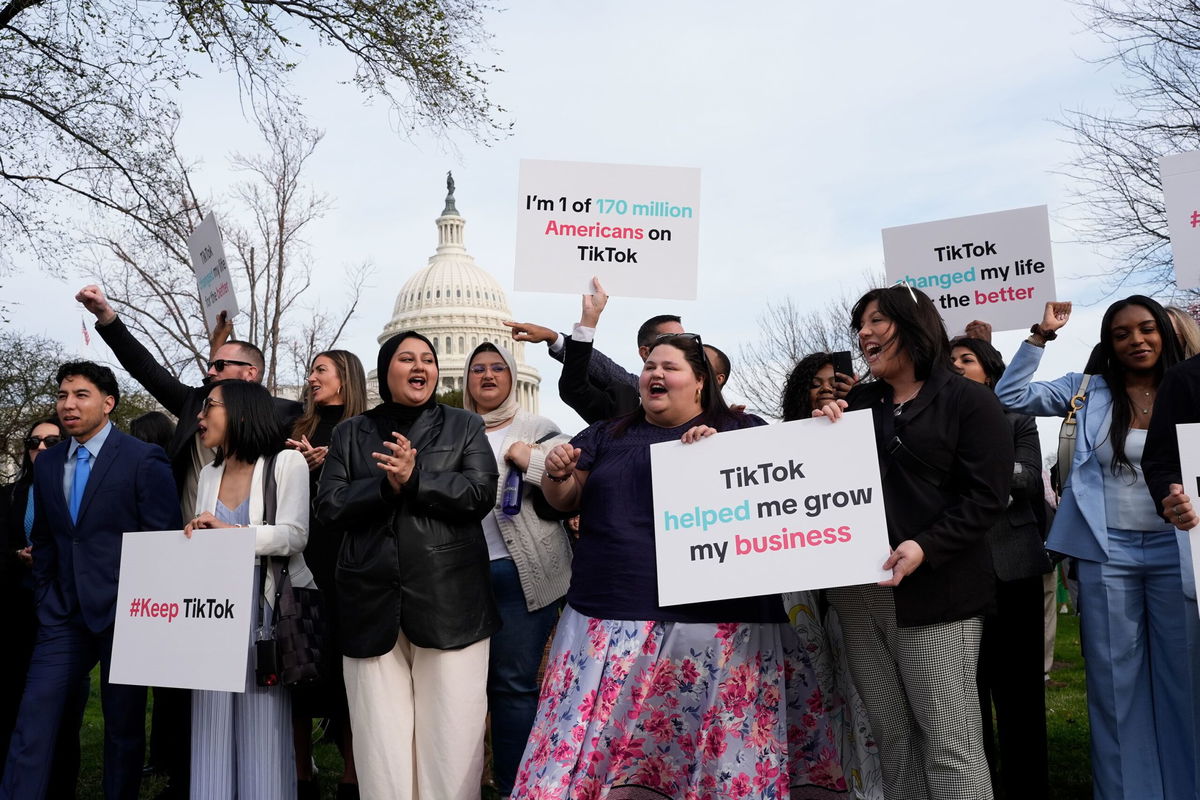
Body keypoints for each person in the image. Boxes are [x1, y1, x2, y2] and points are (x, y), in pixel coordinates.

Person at [512, 334, 847, 799]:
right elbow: (564, 499)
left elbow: (796, 489)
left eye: (669, 367)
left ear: (700, 382)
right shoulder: (607, 435)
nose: (654, 374)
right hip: (613, 622)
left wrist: (825, 433)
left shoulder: (742, 431)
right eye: (650, 365)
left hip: (722, 632)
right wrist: (558, 474)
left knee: (710, 764)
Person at [76, 284, 300, 798]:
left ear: (251, 377)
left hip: (259, 589)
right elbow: (145, 370)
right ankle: (188, 776)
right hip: (190, 570)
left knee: (255, 701)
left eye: (221, 368)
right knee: (191, 695)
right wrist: (109, 317)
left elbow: (292, 529)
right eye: (209, 368)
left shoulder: (286, 424)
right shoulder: (196, 411)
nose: (208, 374)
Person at [817, 286, 1012, 800]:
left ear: (914, 323)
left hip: (936, 593)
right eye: (859, 324)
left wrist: (925, 546)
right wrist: (818, 439)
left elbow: (986, 498)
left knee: (950, 743)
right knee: (894, 742)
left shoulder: (969, 401)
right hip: (860, 598)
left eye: (877, 320)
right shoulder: (858, 404)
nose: (864, 333)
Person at [996, 297, 1192, 799]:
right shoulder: (1088, 391)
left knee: (1184, 680)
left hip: (1180, 551)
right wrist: (1040, 335)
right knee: (1114, 683)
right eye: (1122, 333)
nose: (1136, 340)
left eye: (1147, 329)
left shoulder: (1189, 388)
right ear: (1109, 343)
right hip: (1109, 555)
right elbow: (1010, 396)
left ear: (1164, 334)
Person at [316, 331, 499, 800]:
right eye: (407, 358)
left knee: (451, 741)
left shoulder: (464, 426)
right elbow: (330, 504)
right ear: (386, 369)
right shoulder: (349, 432)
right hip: (368, 601)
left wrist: (416, 479)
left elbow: (479, 494)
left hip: (449, 602)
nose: (421, 367)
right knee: (380, 743)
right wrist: (385, 487)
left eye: (428, 359)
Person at [1, 362, 180, 800]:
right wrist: (47, 596)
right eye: (63, 395)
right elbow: (45, 537)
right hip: (61, 615)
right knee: (34, 720)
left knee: (123, 730)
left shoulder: (142, 458)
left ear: (108, 402)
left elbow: (164, 541)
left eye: (81, 395)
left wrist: (146, 611)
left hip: (126, 617)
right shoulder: (50, 462)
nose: (68, 404)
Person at [185, 379, 313, 800]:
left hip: (265, 613)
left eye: (210, 407)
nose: (200, 417)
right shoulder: (209, 472)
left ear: (240, 411)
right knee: (210, 722)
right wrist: (195, 532)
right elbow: (209, 538)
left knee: (264, 726)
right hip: (213, 611)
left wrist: (231, 532)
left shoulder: (285, 464)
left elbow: (294, 536)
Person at [461, 341, 571, 799]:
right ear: (465, 382)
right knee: (461, 691)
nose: (488, 376)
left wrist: (532, 460)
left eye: (497, 368)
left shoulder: (539, 427)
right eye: (478, 369)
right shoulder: (453, 428)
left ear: (512, 378)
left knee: (513, 687)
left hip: (520, 575)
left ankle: (514, 787)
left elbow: (570, 473)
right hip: (459, 576)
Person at [949, 335, 1051, 799]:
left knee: (1022, 695)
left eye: (966, 360)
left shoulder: (1016, 418)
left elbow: (1029, 479)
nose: (956, 366)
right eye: (948, 361)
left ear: (990, 371)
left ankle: (1028, 787)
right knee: (967, 697)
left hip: (1015, 570)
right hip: (955, 575)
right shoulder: (932, 424)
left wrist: (978, 471)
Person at [779, 352, 883, 800]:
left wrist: (856, 408)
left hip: (851, 578)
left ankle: (866, 784)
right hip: (798, 586)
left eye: (833, 381)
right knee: (812, 680)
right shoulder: (773, 441)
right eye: (815, 382)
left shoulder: (861, 429)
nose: (824, 389)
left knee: (858, 686)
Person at [286, 350, 368, 800]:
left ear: (345, 378)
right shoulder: (296, 427)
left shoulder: (366, 428)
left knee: (349, 674)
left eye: (321, 370)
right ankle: (301, 775)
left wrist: (333, 463)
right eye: (312, 370)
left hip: (350, 561)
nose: (312, 377)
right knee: (299, 669)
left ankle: (352, 778)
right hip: (302, 557)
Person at [0, 417, 87, 799]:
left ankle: (60, 784)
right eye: (34, 442)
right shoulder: (9, 494)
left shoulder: (79, 489)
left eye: (52, 441)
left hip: (67, 609)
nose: (41, 448)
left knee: (65, 708)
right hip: (16, 610)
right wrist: (16, 556)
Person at [505, 278, 684, 423]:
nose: (684, 347)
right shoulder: (627, 400)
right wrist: (583, 323)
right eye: (673, 340)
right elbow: (594, 378)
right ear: (646, 353)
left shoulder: (706, 403)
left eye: (688, 340)